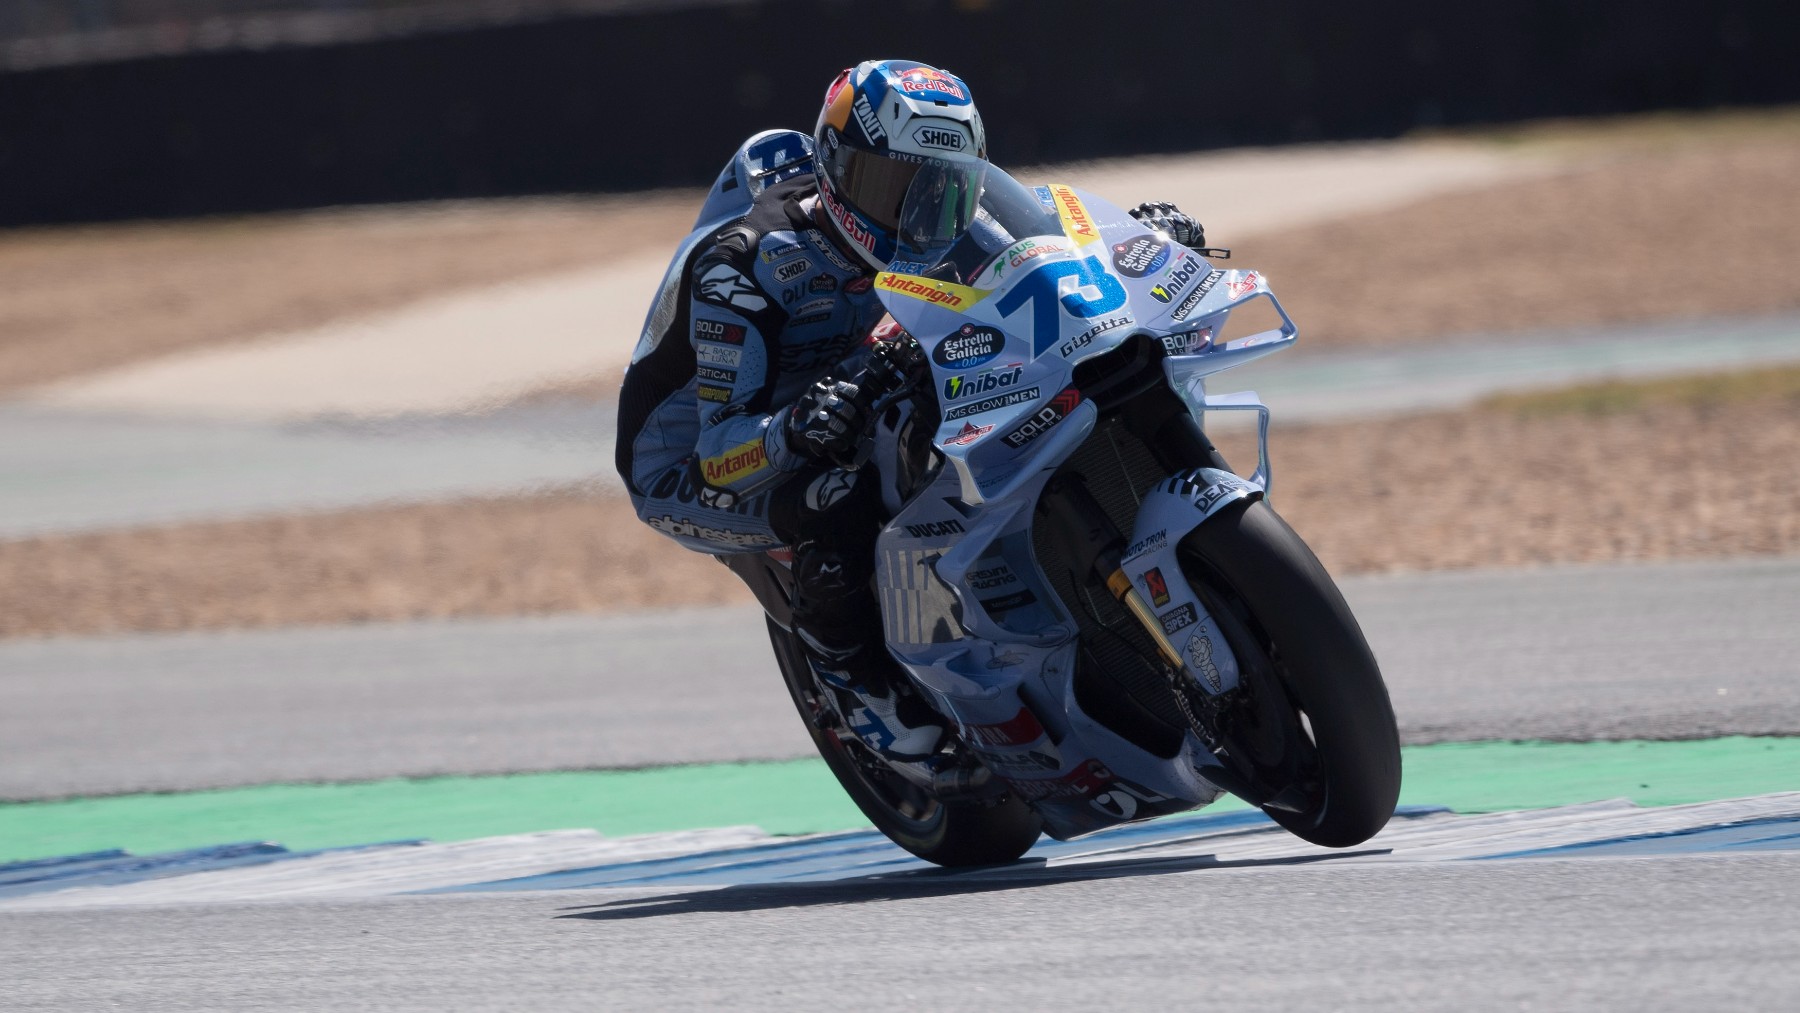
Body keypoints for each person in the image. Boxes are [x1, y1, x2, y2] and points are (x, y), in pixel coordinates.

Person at [615, 59, 1209, 762]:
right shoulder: (744, 267)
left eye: (943, 189)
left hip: (851, 375)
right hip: (699, 458)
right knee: (834, 496)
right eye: (892, 188)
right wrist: (795, 428)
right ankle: (855, 683)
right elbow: (718, 448)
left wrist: (1131, 247)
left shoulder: (941, 213)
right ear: (837, 171)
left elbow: (1040, 246)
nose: (918, 215)